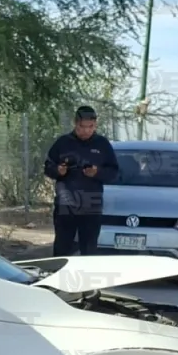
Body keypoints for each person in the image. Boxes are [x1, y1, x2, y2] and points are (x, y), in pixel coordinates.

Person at [43, 105, 119, 256]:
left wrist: (97, 173)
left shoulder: (102, 144)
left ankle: (86, 271)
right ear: (75, 123)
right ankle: (61, 271)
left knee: (89, 250)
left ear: (95, 125)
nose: (86, 131)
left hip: (91, 204)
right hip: (66, 204)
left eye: (90, 127)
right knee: (62, 247)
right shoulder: (63, 143)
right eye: (82, 127)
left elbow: (114, 173)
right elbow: (48, 167)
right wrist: (58, 171)